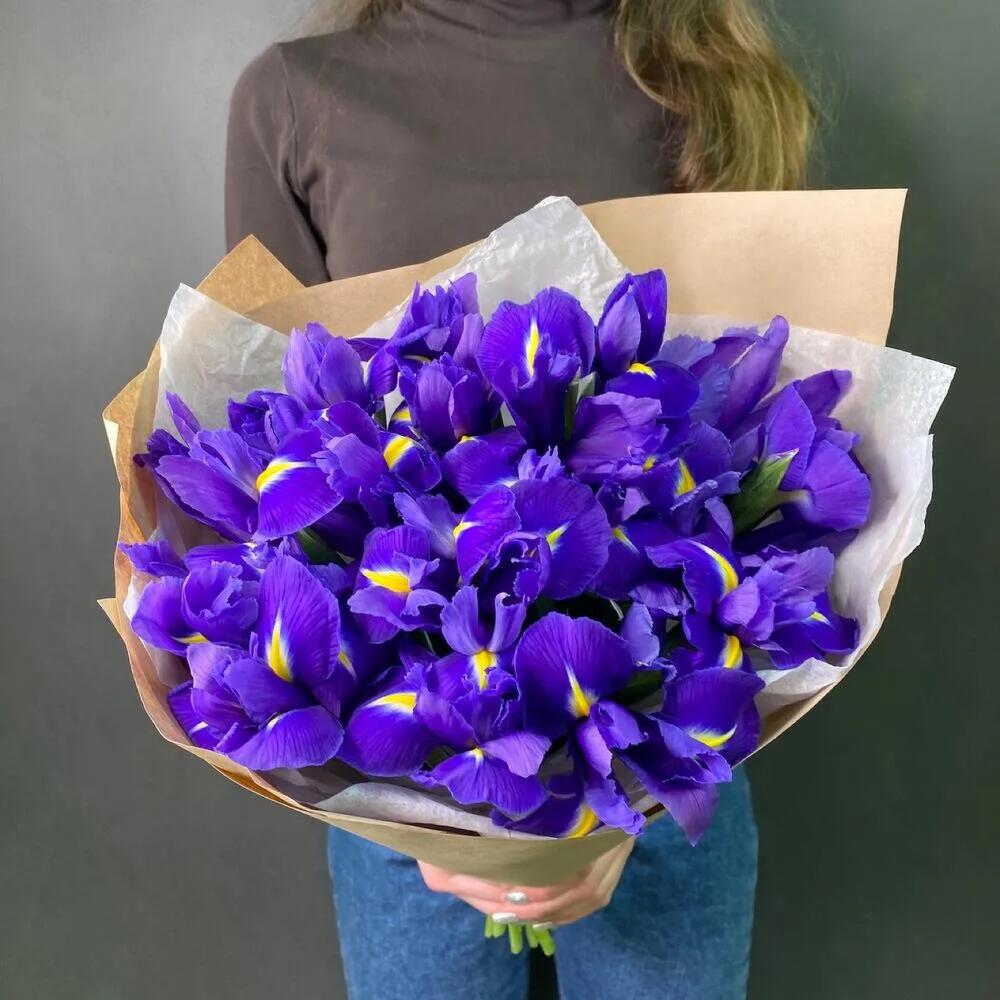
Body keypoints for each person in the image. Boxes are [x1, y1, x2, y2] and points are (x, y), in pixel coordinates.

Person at [225, 3, 813, 997]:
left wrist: (620, 794)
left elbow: (751, 432)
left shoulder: (712, 81)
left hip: (659, 745)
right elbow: (269, 437)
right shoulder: (297, 99)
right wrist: (429, 810)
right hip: (405, 779)